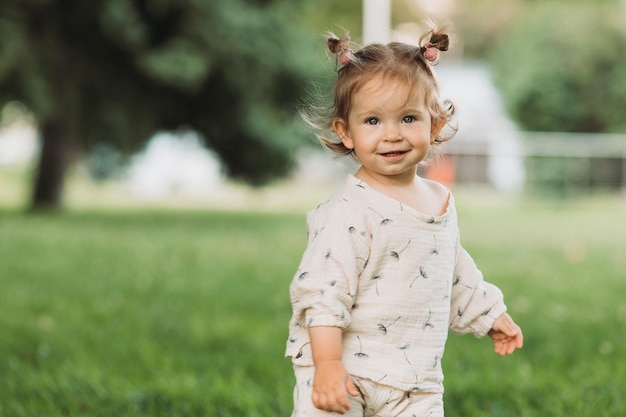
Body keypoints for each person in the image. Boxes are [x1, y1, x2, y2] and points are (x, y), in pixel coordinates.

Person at [285, 24, 523, 417]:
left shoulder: (439, 201)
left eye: (408, 118)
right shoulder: (347, 210)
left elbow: (451, 267)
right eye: (373, 121)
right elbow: (323, 293)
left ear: (435, 125)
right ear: (346, 132)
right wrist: (327, 364)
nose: (392, 134)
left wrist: (489, 313)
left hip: (416, 381)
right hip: (344, 371)